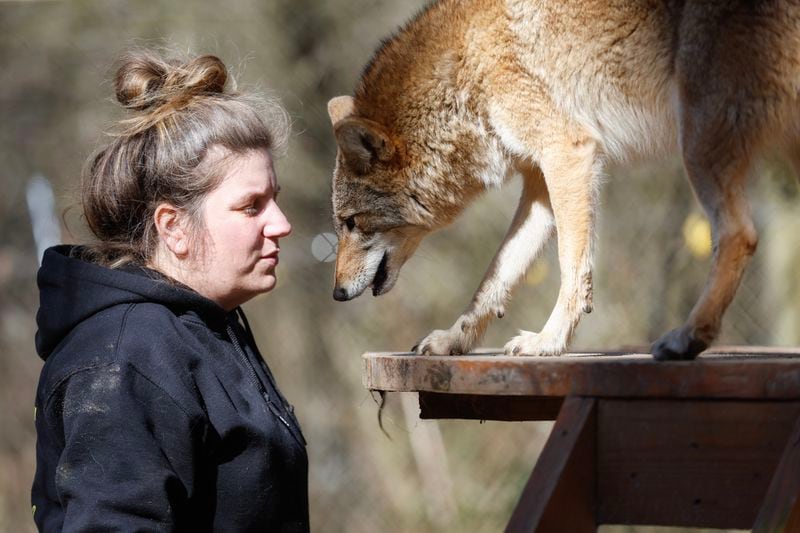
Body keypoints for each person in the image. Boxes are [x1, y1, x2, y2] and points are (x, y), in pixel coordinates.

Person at [31, 49, 308, 532]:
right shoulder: (125, 358)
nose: (280, 225)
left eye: (275, 201)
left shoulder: (203, 327)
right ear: (173, 226)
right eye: (251, 206)